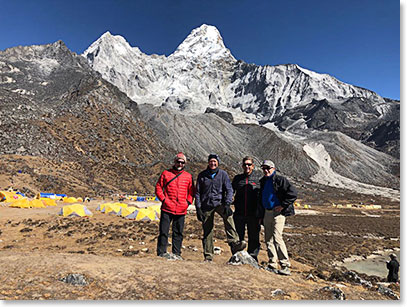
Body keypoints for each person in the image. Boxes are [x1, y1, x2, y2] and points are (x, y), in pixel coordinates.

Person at [195, 153, 246, 262]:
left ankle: (235, 242)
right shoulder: (202, 175)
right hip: (206, 205)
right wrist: (198, 208)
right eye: (211, 161)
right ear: (208, 162)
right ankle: (208, 256)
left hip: (220, 203)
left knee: (229, 217)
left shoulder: (223, 174)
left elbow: (229, 189)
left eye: (215, 162)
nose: (213, 163)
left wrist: (227, 204)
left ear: (218, 163)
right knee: (207, 230)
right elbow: (198, 193)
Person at [258, 160, 297, 275]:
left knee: (277, 237)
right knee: (268, 238)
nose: (266, 170)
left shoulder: (280, 180)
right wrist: (261, 214)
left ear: (273, 168)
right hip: (267, 212)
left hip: (278, 214)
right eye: (264, 168)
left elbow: (293, 193)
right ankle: (272, 262)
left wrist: (283, 205)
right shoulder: (263, 181)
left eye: (268, 168)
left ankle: (285, 264)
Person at [155, 152, 195, 260]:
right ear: (174, 162)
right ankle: (161, 253)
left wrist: (188, 202)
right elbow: (158, 187)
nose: (180, 164)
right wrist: (164, 200)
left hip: (181, 209)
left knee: (178, 232)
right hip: (167, 208)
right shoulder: (166, 174)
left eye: (182, 162)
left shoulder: (188, 176)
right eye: (178, 162)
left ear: (185, 164)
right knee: (163, 231)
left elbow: (192, 191)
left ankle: (177, 253)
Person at [232, 156, 261, 262]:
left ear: (253, 166)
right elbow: (230, 190)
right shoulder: (237, 179)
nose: (247, 166)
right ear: (242, 166)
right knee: (238, 237)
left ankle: (253, 258)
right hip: (239, 213)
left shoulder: (258, 179)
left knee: (254, 237)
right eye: (245, 164)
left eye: (249, 164)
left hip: (253, 214)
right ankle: (237, 257)